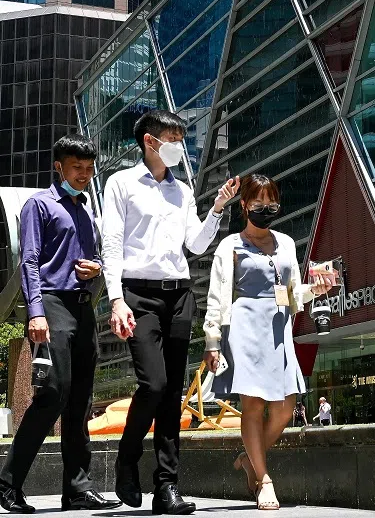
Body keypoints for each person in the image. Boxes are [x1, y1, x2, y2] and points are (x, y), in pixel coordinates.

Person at [103, 110, 239, 514]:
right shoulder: (121, 184)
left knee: (172, 396)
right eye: (173, 139)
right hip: (137, 295)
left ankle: (167, 487)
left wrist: (216, 209)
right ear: (150, 141)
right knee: (154, 384)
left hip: (178, 295)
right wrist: (115, 299)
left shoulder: (181, 190)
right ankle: (127, 460)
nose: (180, 147)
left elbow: (195, 245)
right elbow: (111, 243)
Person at [0, 135, 121, 514]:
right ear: (59, 167)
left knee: (81, 399)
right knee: (54, 392)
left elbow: (92, 258)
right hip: (52, 305)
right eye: (76, 168)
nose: (84, 175)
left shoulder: (85, 211)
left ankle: (77, 489)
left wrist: (97, 267)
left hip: (84, 307)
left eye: (88, 168)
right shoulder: (39, 205)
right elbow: (30, 262)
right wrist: (35, 311)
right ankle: (7, 483)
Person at [203, 174, 330, 510]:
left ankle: (248, 458)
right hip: (244, 327)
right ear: (244, 205)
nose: (266, 210)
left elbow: (290, 292)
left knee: (286, 407)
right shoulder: (230, 245)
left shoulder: (286, 242)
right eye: (258, 204)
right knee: (254, 405)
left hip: (278, 329)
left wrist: (314, 291)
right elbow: (217, 296)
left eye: (271, 204)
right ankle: (264, 480)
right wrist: (213, 340)